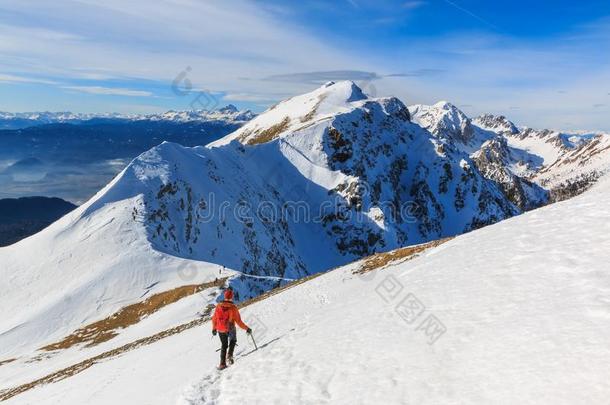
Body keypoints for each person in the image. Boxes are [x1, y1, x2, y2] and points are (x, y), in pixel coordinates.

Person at [212, 288, 251, 370]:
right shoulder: (233, 308)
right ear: (232, 297)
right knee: (233, 340)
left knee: (224, 345)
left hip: (220, 328)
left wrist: (214, 329)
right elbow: (239, 322)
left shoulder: (218, 306)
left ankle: (222, 364)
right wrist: (247, 328)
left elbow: (214, 318)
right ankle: (229, 355)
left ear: (225, 296)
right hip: (230, 328)